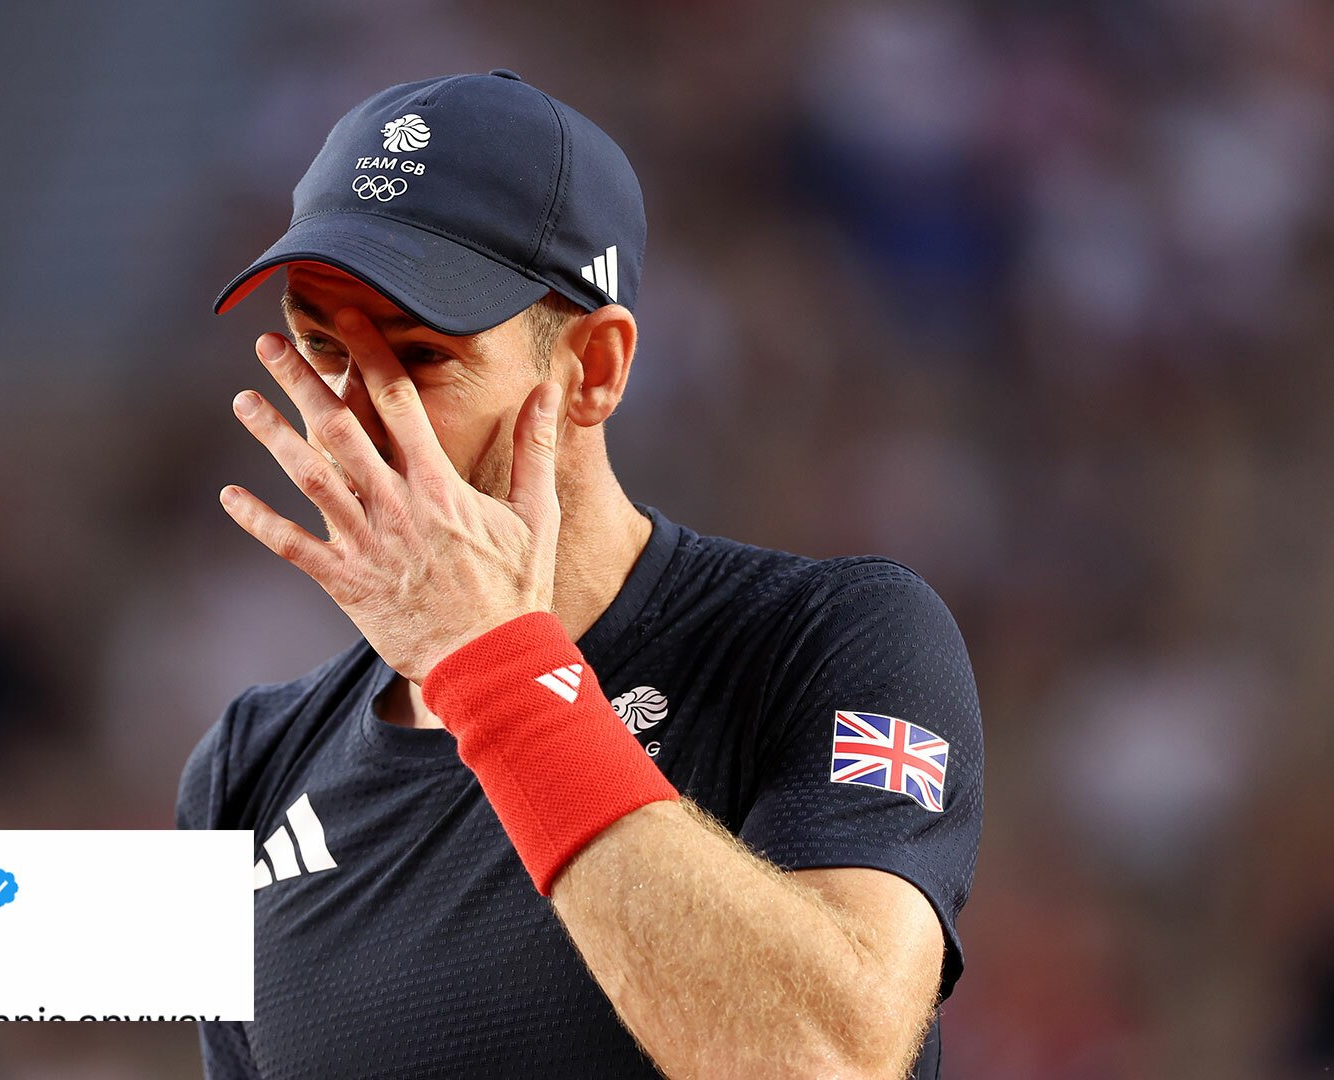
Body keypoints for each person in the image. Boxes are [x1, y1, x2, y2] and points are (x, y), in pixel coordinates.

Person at [178, 70, 982, 1079]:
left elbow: (824, 1058)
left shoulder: (829, 639)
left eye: (421, 359)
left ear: (594, 368)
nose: (353, 419)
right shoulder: (249, 767)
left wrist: (494, 667)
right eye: (320, 348)